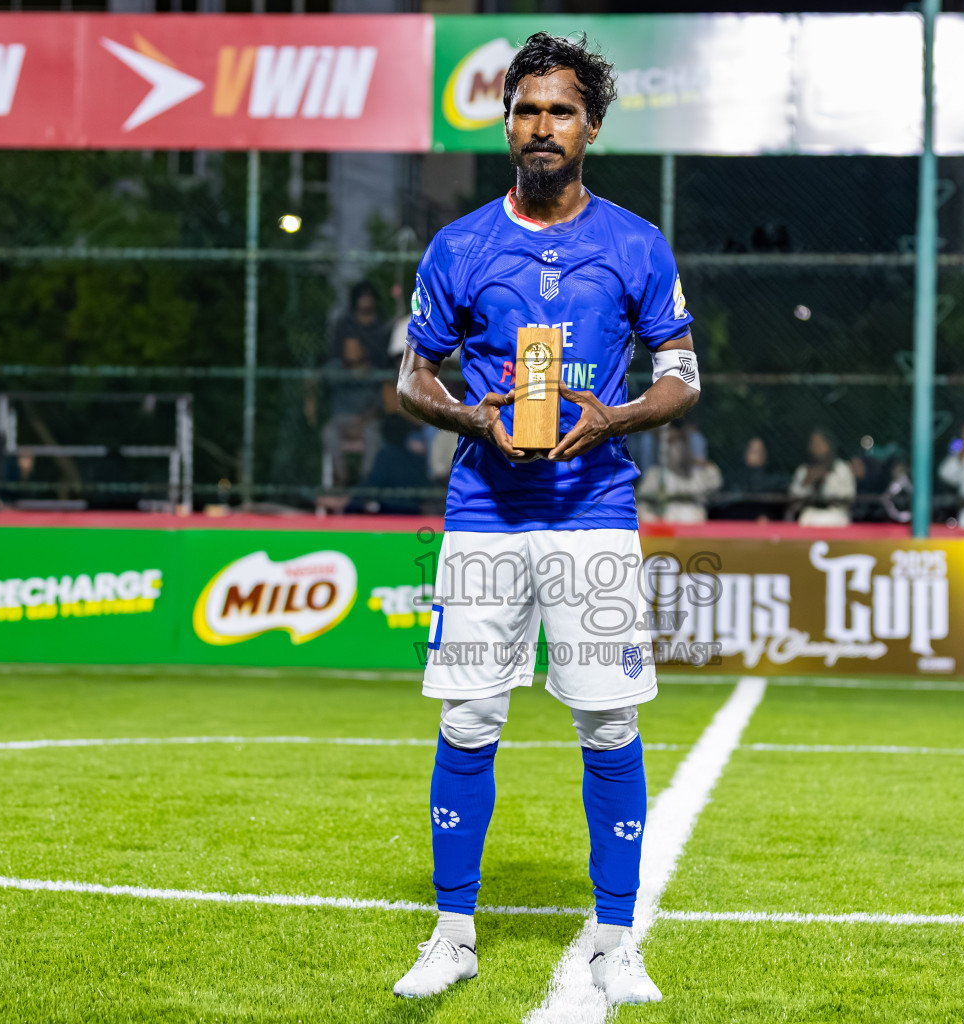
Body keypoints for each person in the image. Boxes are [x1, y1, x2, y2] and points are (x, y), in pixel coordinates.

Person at [391, 32, 696, 1004]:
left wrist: (616, 415)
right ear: (506, 123)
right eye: (526, 109)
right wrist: (470, 416)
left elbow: (682, 375)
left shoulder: (636, 244)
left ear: (591, 127)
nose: (541, 125)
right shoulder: (461, 246)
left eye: (560, 110)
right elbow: (412, 379)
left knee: (608, 723)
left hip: (595, 511)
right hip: (484, 512)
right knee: (470, 716)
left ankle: (617, 941)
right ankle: (453, 934)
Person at [315, 334, 385, 486]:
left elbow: (378, 406)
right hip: (340, 420)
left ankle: (366, 480)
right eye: (347, 349)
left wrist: (362, 421)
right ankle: (340, 475)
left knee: (373, 434)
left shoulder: (372, 372)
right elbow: (321, 378)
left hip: (365, 421)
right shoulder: (335, 367)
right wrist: (352, 374)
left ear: (363, 350)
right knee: (328, 431)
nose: (350, 352)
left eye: (354, 348)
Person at [637, 424, 722, 522]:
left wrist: (702, 463)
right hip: (665, 525)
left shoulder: (697, 474)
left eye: (680, 441)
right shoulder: (656, 474)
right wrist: (651, 517)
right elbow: (641, 500)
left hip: (693, 524)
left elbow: (716, 483)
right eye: (671, 442)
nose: (676, 447)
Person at [360, 414, 431, 515]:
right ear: (406, 433)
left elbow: (374, 487)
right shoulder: (417, 459)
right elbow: (423, 490)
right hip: (413, 513)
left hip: (388, 513)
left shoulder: (384, 456)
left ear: (384, 433)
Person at [788, 429, 856, 527]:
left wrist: (826, 481)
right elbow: (793, 502)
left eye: (820, 443)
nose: (816, 447)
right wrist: (807, 482)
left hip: (836, 515)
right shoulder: (803, 470)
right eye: (813, 443)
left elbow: (849, 496)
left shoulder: (841, 468)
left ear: (828, 445)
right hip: (810, 515)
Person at [717, 435, 787, 520]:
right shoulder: (733, 478)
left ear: (765, 455)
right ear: (745, 453)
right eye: (753, 450)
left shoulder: (773, 479)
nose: (757, 454)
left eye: (760, 451)